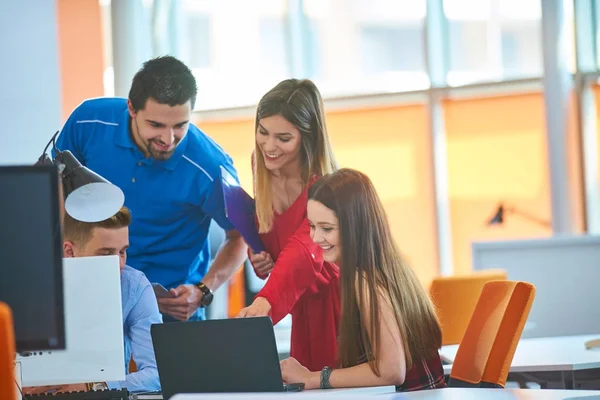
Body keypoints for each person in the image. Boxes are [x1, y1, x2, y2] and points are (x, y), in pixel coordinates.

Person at [54, 56, 248, 321]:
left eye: (180, 125)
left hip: (169, 312)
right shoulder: (89, 122)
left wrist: (203, 291)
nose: (168, 140)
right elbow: (55, 182)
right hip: (93, 296)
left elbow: (241, 237)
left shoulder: (211, 167)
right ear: (131, 108)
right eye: (156, 125)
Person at [280, 169, 446, 391]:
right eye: (312, 226)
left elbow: (391, 370)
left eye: (326, 228)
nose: (316, 238)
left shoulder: (364, 280)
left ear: (355, 226)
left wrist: (312, 378)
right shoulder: (389, 265)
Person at [236, 79, 340, 372]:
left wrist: (265, 302)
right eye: (263, 132)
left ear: (307, 138)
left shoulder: (324, 185)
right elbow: (273, 235)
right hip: (300, 309)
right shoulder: (262, 165)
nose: (269, 146)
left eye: (283, 138)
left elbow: (304, 250)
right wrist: (258, 257)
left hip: (338, 311)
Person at [24, 206, 161, 394]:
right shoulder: (25, 284)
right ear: (70, 251)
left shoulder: (134, 286)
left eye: (122, 252)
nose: (119, 264)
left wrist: (94, 387)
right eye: (105, 254)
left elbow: (156, 374)